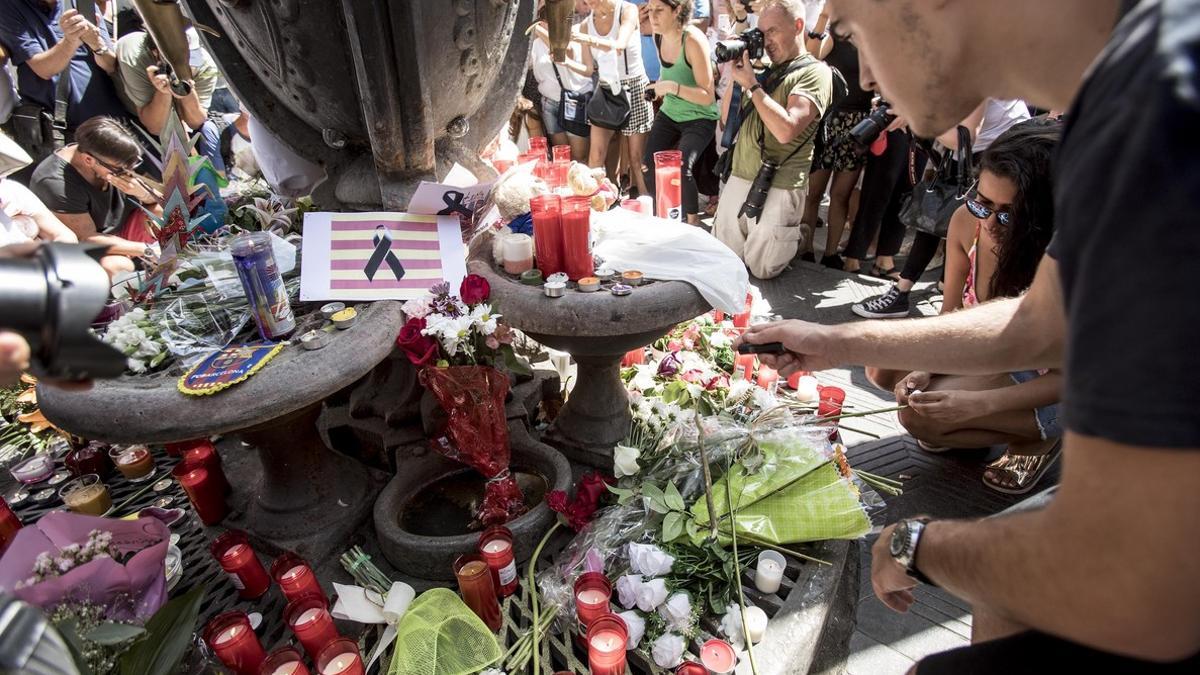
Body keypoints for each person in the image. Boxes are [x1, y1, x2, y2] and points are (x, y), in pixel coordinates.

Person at [741, 0, 1200, 670]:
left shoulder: (1157, 96)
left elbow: (1129, 581)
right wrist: (835, 339)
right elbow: (1041, 317)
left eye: (850, 29)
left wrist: (916, 545)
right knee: (1001, 585)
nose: (865, 74)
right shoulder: (1131, 71)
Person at [868, 120, 1063, 494]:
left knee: (917, 418)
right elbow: (953, 317)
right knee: (882, 360)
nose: (989, 220)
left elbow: (1068, 380)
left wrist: (976, 406)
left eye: (1008, 213)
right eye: (982, 201)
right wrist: (927, 367)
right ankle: (968, 426)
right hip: (993, 352)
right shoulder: (966, 222)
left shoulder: (1068, 261)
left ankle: (1039, 439)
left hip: (1049, 382)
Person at [852, 98, 1029, 319]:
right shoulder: (947, 73)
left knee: (976, 226)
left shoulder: (976, 72)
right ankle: (927, 297)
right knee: (936, 218)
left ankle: (949, 305)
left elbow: (964, 136)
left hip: (999, 158)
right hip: (973, 153)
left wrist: (914, 117)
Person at [712, 0, 832, 280]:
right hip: (742, 173)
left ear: (798, 26)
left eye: (772, 32)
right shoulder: (762, 70)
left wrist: (753, 85)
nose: (765, 42)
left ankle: (798, 235)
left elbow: (787, 129)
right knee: (726, 259)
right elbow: (725, 118)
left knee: (763, 268)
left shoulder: (814, 72)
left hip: (780, 179)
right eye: (761, 33)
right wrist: (736, 75)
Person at [29, 115, 158, 278]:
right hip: (93, 247)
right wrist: (146, 250)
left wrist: (143, 193)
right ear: (88, 160)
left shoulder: (113, 157)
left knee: (163, 213)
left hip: (124, 229)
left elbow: (161, 199)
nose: (127, 173)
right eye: (119, 170)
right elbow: (86, 238)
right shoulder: (55, 182)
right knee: (117, 266)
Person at [0, 1, 128, 157]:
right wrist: (70, 41)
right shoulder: (8, 7)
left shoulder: (81, 3)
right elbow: (44, 69)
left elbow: (110, 64)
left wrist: (97, 44)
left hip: (111, 123)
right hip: (61, 133)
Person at [642, 0, 718, 225]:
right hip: (670, 113)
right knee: (649, 165)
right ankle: (666, 215)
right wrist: (657, 89)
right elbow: (669, 75)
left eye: (659, 11)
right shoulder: (658, 36)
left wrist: (672, 88)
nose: (652, 17)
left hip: (700, 118)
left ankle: (692, 225)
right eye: (650, 10)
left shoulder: (693, 40)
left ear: (676, 11)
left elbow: (707, 95)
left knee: (680, 166)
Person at [113, 29, 227, 175]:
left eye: (190, 58)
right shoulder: (134, 57)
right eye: (179, 59)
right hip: (132, 117)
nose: (187, 64)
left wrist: (186, 90)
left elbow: (196, 121)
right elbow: (155, 127)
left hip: (178, 124)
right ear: (156, 53)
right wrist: (163, 92)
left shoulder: (204, 64)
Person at [799, 33, 870, 268]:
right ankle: (805, 248)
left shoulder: (876, 40)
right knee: (814, 192)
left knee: (841, 195)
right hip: (830, 120)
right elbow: (810, 57)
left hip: (859, 125)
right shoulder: (836, 35)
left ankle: (831, 254)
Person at [577, 0, 655, 197]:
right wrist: (563, 58)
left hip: (634, 86)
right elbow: (588, 68)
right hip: (605, 88)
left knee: (636, 159)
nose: (589, 2)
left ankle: (648, 204)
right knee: (596, 155)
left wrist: (586, 40)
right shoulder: (587, 24)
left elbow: (620, 45)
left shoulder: (627, 10)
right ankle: (596, 204)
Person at [531, 6, 593, 162]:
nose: (543, 24)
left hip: (573, 102)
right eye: (542, 20)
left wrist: (536, 28)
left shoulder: (569, 36)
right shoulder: (536, 44)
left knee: (579, 156)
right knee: (562, 156)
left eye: (547, 20)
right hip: (549, 103)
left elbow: (564, 51)